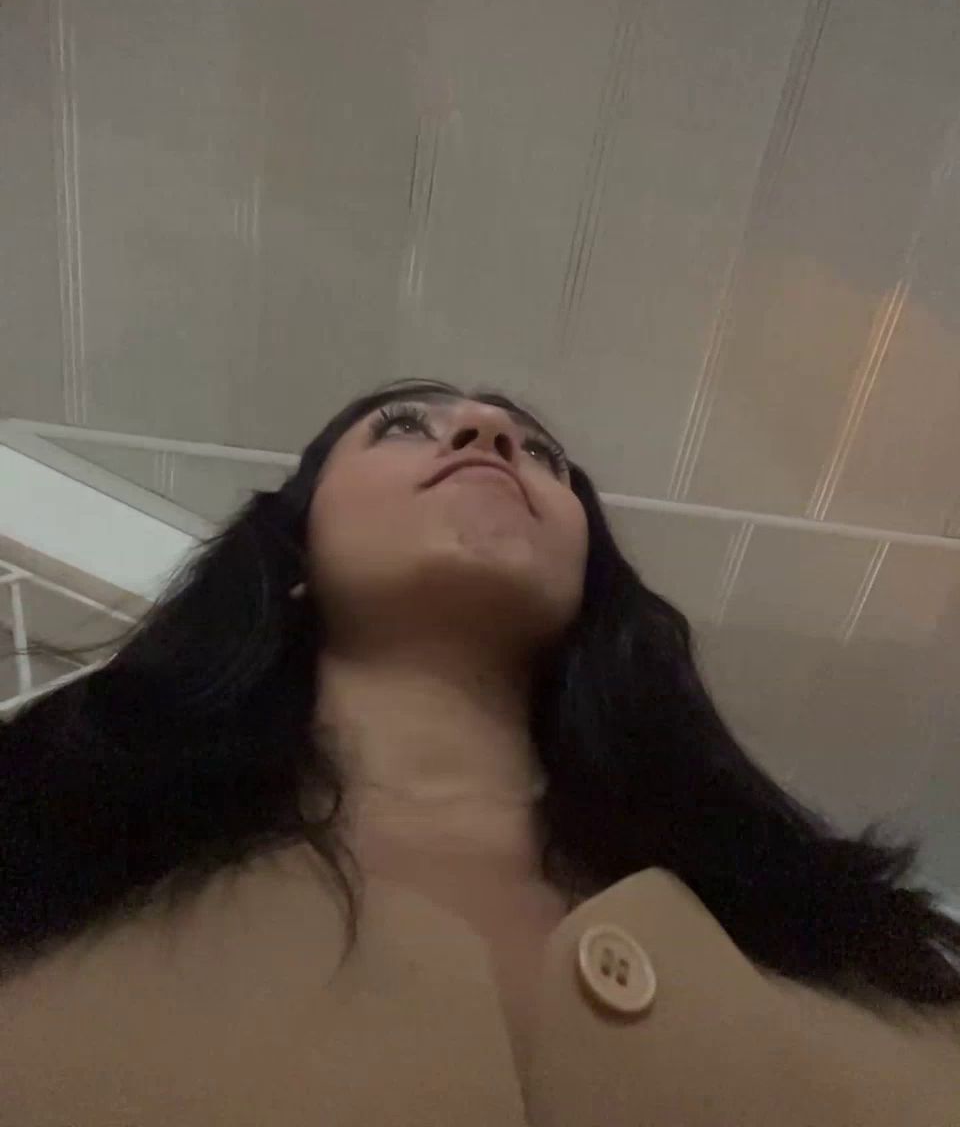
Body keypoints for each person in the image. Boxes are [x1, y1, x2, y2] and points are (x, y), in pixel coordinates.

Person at [1, 377, 958, 1126]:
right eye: (402, 427)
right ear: (291, 553)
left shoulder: (846, 942)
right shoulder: (39, 838)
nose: (492, 435)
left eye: (543, 455)